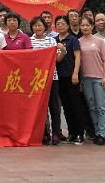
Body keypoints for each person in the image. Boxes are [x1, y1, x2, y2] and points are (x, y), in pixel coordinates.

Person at [30, 16, 63, 145]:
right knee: (39, 108)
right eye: (35, 25)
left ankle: (56, 133)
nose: (38, 28)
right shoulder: (29, 41)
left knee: (54, 107)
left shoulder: (51, 41)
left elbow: (58, 58)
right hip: (36, 80)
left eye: (40, 25)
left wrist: (63, 51)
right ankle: (43, 133)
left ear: (45, 27)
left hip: (52, 78)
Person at [54, 15, 85, 144]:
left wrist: (76, 73)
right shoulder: (54, 40)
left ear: (68, 25)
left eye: (63, 23)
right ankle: (71, 132)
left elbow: (78, 57)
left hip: (71, 75)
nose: (60, 26)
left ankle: (80, 133)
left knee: (76, 104)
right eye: (58, 24)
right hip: (59, 76)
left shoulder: (73, 39)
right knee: (66, 105)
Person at [78, 16, 105, 145]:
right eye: (83, 25)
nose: (85, 27)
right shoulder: (78, 41)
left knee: (101, 106)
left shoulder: (99, 41)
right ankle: (97, 132)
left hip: (99, 77)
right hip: (86, 78)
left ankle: (102, 133)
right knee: (92, 107)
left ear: (92, 26)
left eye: (87, 25)